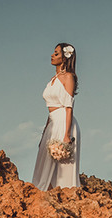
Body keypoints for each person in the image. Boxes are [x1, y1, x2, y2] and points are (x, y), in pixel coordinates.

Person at [32, 43, 80, 190]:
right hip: (52, 123)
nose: (52, 55)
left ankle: (65, 195)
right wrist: (43, 134)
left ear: (65, 58)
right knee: (43, 163)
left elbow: (69, 107)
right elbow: (50, 111)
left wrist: (66, 134)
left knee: (63, 166)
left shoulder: (68, 77)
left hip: (64, 121)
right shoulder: (53, 79)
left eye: (56, 53)